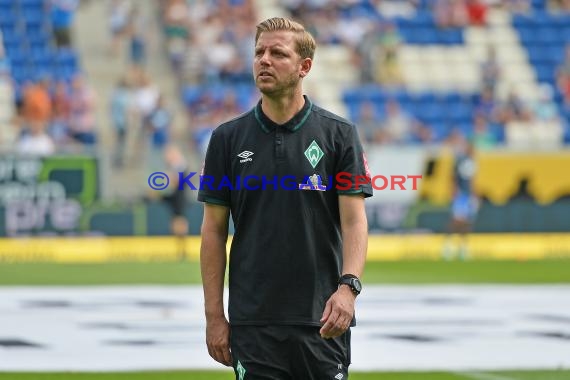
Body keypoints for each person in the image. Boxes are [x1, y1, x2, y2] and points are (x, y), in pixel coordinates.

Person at [198, 17, 373, 379]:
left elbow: (354, 220)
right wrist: (214, 316)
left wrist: (349, 287)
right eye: (259, 52)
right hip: (253, 322)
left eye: (278, 53)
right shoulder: (227, 139)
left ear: (304, 66)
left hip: (323, 318)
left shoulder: (339, 135)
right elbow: (214, 231)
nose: (264, 60)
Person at [443, 134, 479, 260]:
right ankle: (448, 246)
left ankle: (463, 247)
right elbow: (452, 177)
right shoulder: (460, 160)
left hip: (468, 195)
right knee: (456, 221)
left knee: (467, 222)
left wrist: (474, 195)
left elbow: (473, 181)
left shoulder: (472, 161)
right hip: (461, 195)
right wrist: (454, 191)